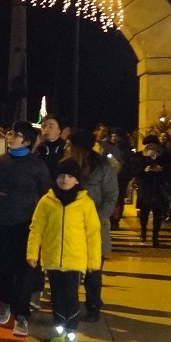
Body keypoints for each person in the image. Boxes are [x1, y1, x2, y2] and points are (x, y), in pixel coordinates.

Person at [27, 159, 102, 342]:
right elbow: (37, 229)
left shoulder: (85, 203)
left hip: (74, 260)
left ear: (77, 180)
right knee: (57, 298)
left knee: (71, 297)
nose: (64, 179)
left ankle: (72, 334)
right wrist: (32, 253)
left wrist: (94, 261)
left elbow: (93, 233)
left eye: (69, 176)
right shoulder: (47, 201)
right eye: (61, 175)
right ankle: (60, 331)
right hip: (52, 259)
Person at [0, 121, 51, 337]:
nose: (11, 137)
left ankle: (21, 314)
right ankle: (4, 302)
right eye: (10, 133)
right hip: (1, 223)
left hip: (26, 225)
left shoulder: (36, 166)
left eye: (17, 134)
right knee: (3, 266)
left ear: (28, 141)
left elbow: (45, 195)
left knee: (24, 271)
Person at [64, 131, 119, 322]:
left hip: (95, 229)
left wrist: (96, 219)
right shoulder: (67, 168)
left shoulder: (103, 169)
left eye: (70, 145)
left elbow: (111, 197)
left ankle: (94, 305)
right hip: (72, 227)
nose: (67, 148)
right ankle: (69, 306)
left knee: (93, 271)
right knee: (71, 272)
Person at [134, 135, 171, 247]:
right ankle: (143, 232)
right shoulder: (140, 155)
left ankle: (155, 236)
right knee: (144, 211)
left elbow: (170, 170)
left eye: (153, 145)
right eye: (149, 145)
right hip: (145, 186)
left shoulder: (165, 155)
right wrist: (144, 170)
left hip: (159, 186)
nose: (151, 147)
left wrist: (161, 169)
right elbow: (135, 169)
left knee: (158, 212)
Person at [35, 114, 66, 179]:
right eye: (43, 126)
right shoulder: (38, 148)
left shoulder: (65, 147)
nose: (46, 129)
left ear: (59, 130)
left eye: (51, 126)